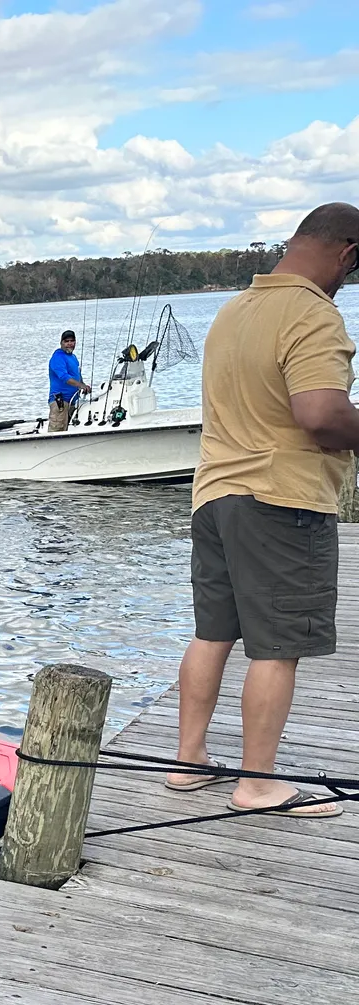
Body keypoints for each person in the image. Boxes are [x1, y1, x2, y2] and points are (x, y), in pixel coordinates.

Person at [172, 201, 359, 817]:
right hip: (281, 501)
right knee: (278, 647)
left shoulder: (233, 311)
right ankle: (257, 784)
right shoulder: (312, 314)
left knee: (212, 633)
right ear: (347, 254)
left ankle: (189, 760)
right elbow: (321, 414)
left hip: (213, 497)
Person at [48, 330, 92, 430]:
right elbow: (64, 377)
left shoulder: (73, 357)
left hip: (74, 401)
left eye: (72, 341)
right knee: (58, 430)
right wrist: (80, 385)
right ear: (61, 343)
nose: (69, 344)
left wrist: (84, 386)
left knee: (72, 428)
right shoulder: (58, 357)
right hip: (60, 402)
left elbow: (77, 375)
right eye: (66, 341)